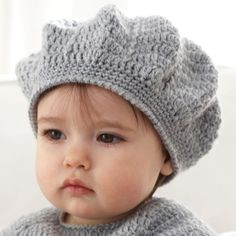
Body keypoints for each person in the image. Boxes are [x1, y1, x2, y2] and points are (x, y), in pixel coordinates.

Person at [1, 4, 221, 235]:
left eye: (107, 137)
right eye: (54, 134)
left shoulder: (175, 231)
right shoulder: (25, 230)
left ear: (166, 154)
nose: (74, 159)